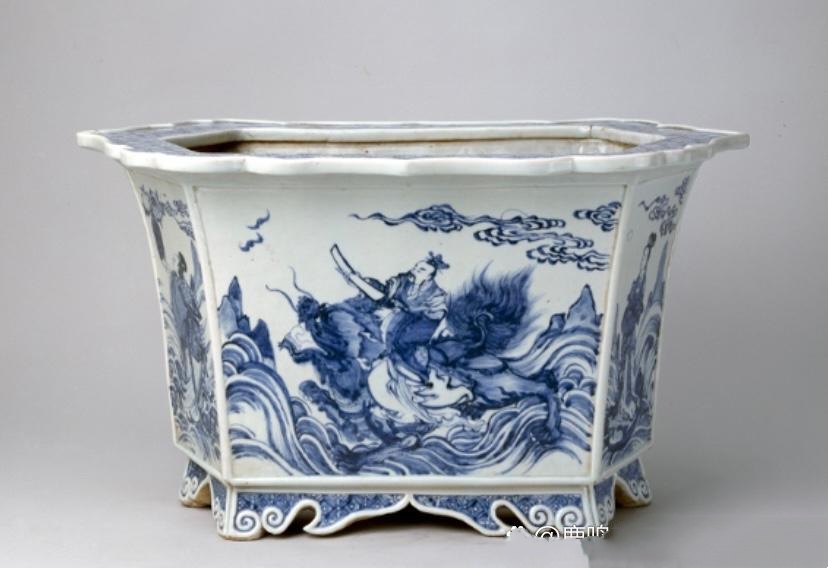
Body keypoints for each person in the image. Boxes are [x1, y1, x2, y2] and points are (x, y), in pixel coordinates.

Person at [380, 252, 449, 373]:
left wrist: (415, 310)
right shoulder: (404, 280)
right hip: (406, 315)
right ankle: (391, 356)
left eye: (421, 270)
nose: (415, 269)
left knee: (405, 340)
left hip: (427, 321)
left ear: (428, 277)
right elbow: (391, 288)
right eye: (416, 266)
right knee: (391, 332)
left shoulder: (435, 292)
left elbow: (438, 313)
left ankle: (415, 368)